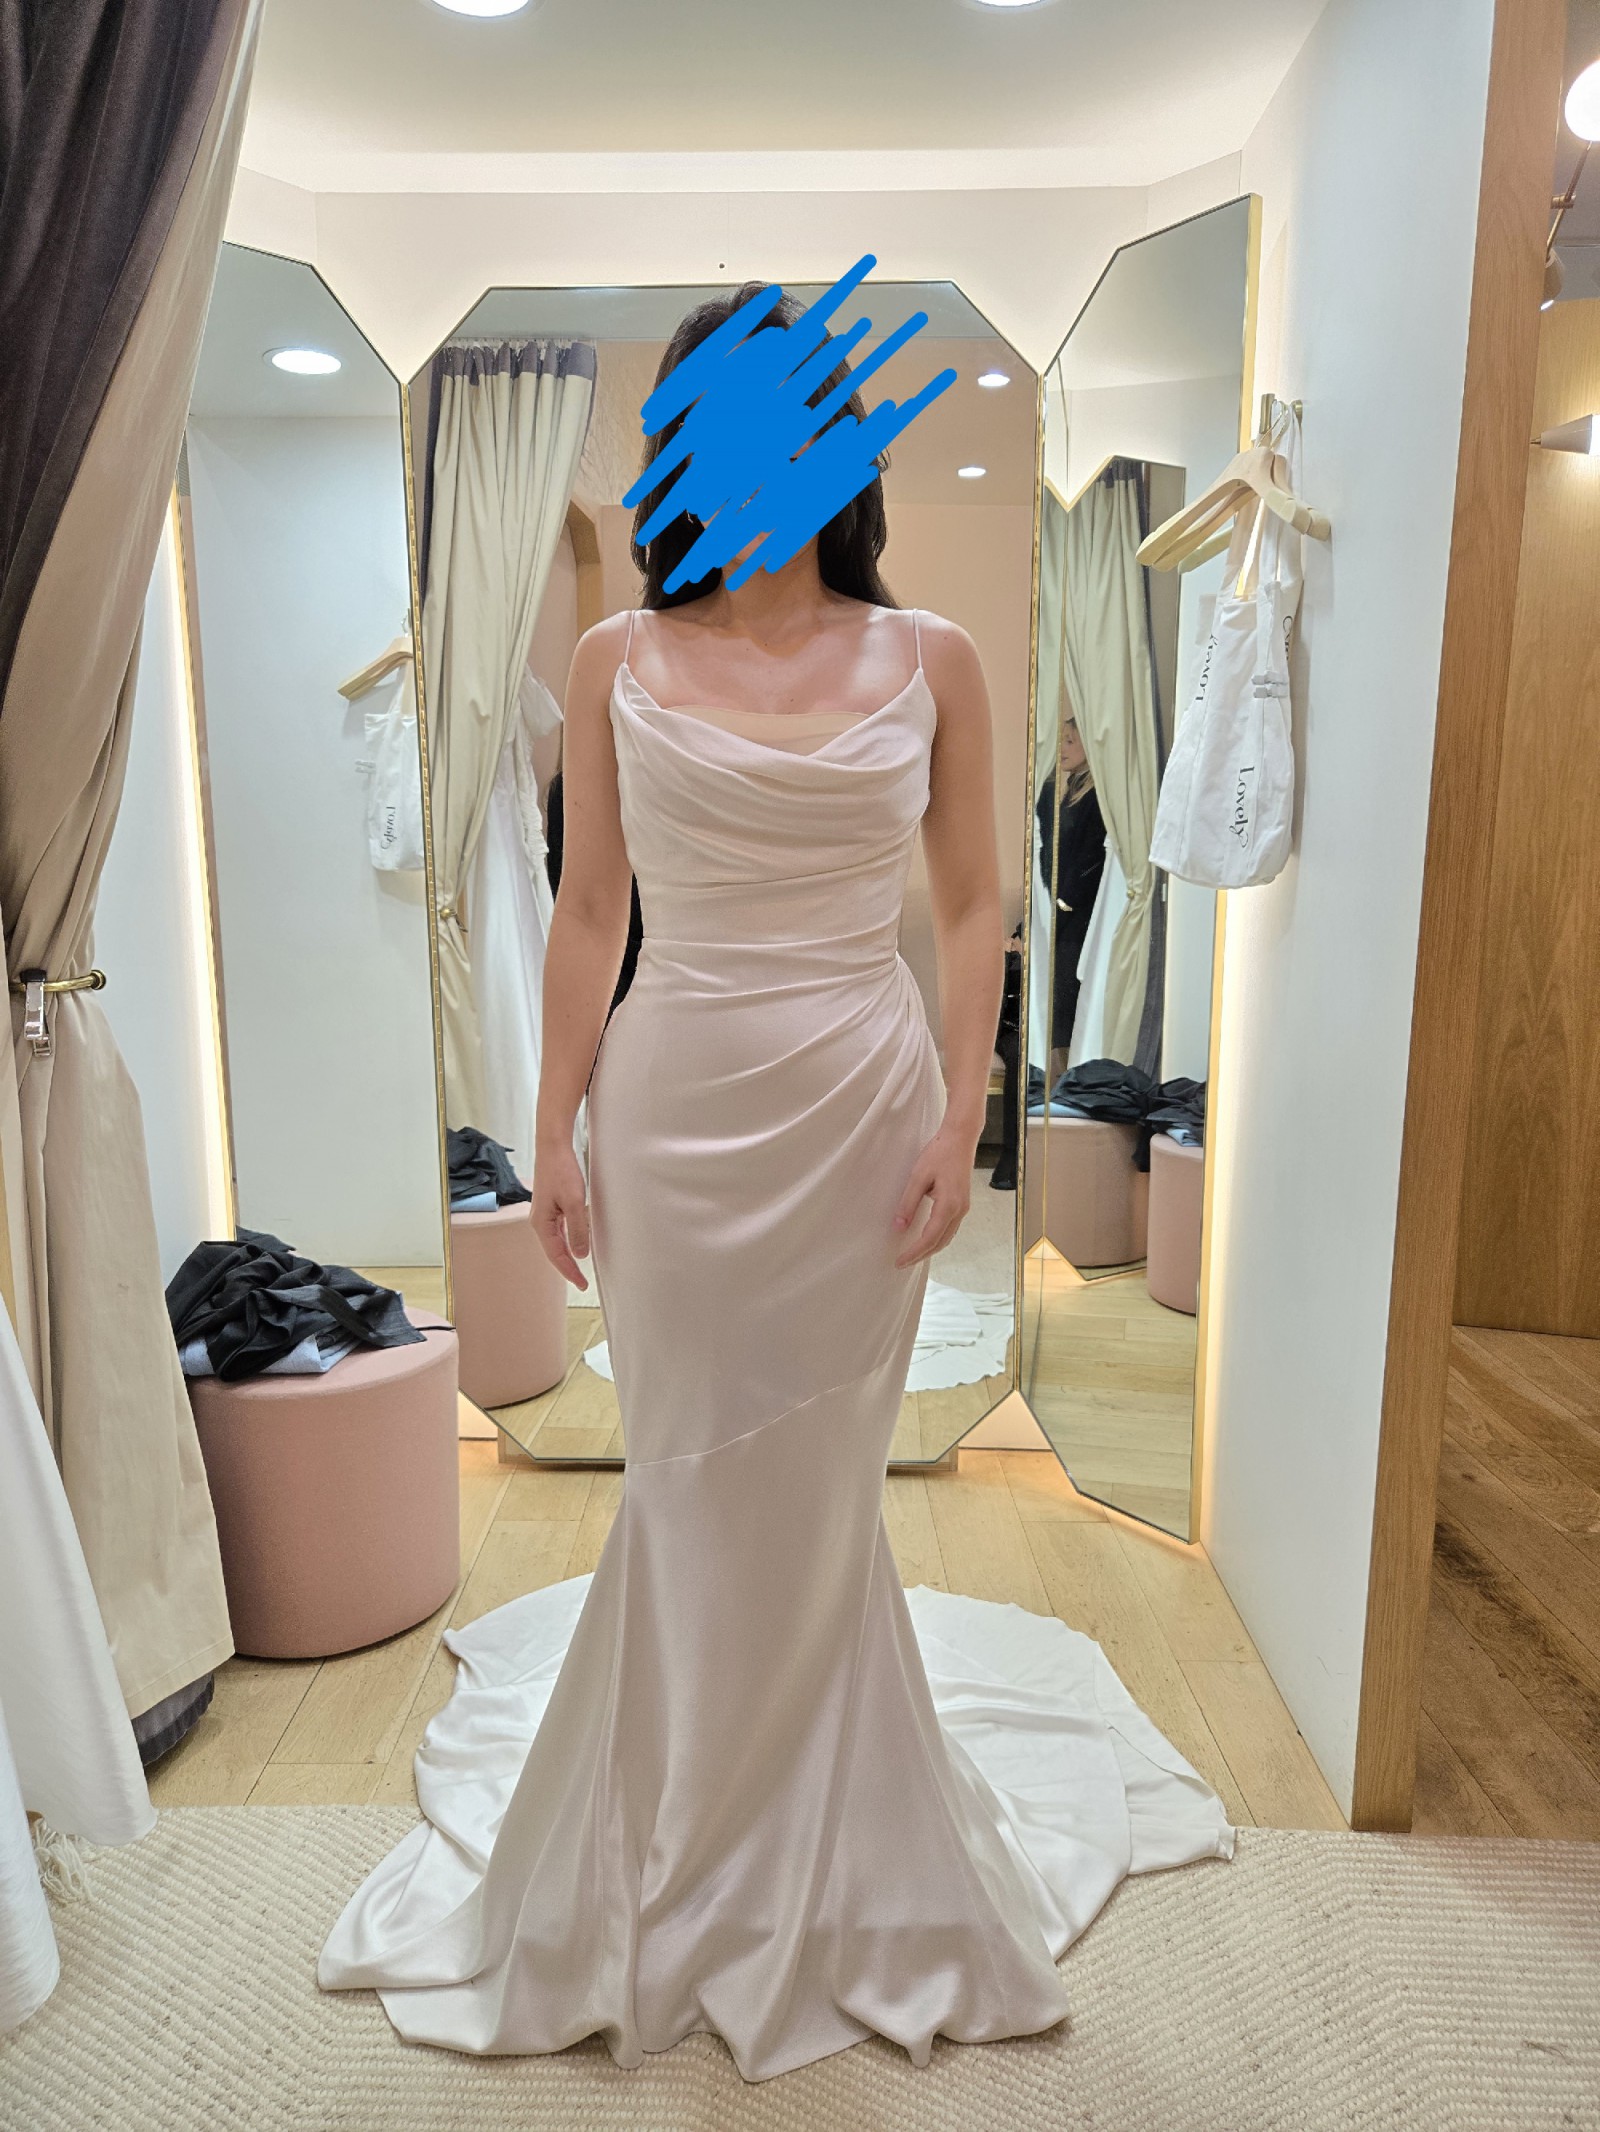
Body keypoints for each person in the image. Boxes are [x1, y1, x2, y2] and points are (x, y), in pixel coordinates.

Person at [318, 286, 1232, 2082]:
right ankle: (665, 1846)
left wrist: (959, 1114)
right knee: (686, 1475)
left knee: (815, 1492)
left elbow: (969, 908)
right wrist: (552, 1123)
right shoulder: (617, 662)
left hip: (858, 1116)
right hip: (674, 1117)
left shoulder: (935, 660)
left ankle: (838, 1853)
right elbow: (591, 914)